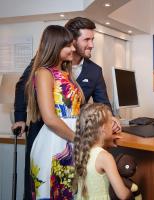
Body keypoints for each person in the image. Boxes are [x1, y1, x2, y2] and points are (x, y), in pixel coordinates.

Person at [11, 17, 121, 200]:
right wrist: (20, 118)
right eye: (87, 39)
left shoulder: (74, 71)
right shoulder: (43, 70)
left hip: (73, 138)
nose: (92, 44)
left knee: (70, 190)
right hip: (52, 136)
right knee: (45, 188)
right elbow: (24, 88)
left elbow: (102, 104)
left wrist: (111, 120)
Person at [26, 25, 84, 199]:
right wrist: (78, 140)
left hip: (72, 140)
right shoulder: (44, 73)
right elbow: (50, 119)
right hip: (54, 143)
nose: (73, 49)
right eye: (68, 45)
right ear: (55, 45)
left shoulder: (66, 73)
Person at [73, 103, 130, 200]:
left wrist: (107, 143)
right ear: (103, 128)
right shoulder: (105, 157)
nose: (113, 126)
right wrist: (131, 191)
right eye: (111, 122)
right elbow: (123, 195)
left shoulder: (82, 151)